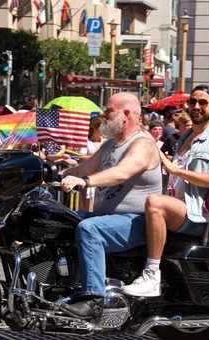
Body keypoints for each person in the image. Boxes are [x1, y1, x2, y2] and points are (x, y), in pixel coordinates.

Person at [122, 84, 209, 297]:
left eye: (203, 103)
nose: (196, 106)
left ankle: (152, 275)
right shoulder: (186, 137)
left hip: (195, 214)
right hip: (175, 205)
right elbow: (172, 172)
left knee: (155, 202)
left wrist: (177, 170)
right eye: (192, 102)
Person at [57, 92, 162, 318]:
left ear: (125, 115)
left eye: (108, 111)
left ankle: (94, 299)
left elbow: (122, 172)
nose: (103, 115)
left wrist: (84, 182)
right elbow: (81, 170)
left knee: (89, 229)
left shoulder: (143, 144)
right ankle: (62, 286)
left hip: (136, 222)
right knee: (59, 218)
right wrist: (48, 176)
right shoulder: (109, 146)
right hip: (108, 219)